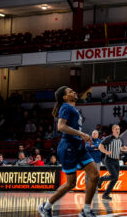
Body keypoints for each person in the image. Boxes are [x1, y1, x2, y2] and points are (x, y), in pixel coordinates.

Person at [38, 86, 99, 217]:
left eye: (73, 90)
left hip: (78, 146)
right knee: (71, 183)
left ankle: (86, 211)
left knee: (94, 175)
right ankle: (45, 206)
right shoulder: (66, 107)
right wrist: (82, 134)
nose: (74, 91)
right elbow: (60, 126)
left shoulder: (71, 108)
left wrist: (82, 137)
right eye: (70, 91)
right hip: (68, 147)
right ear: (65, 97)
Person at [98, 124, 127, 200]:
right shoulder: (108, 138)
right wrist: (106, 152)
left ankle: (105, 195)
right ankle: (100, 179)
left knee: (115, 179)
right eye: (116, 129)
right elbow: (100, 146)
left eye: (119, 129)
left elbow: (122, 148)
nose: (117, 131)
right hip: (109, 160)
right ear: (112, 130)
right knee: (114, 176)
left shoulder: (120, 139)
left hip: (116, 160)